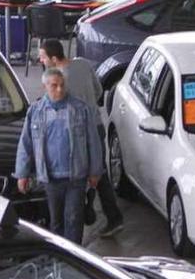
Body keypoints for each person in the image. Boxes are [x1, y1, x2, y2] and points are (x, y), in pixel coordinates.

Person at [38, 40, 124, 238]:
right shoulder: (83, 64)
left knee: (77, 176)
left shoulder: (58, 82)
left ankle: (88, 214)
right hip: (97, 125)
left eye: (42, 56)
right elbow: (99, 91)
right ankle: (113, 217)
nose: (40, 59)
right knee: (99, 173)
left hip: (78, 133)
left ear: (53, 58)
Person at [15, 68, 103, 245]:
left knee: (73, 220)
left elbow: (93, 142)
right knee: (56, 223)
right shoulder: (36, 112)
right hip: (50, 179)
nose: (59, 90)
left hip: (75, 177)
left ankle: (75, 258)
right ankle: (60, 259)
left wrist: (95, 171)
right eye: (54, 86)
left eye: (62, 85)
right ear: (45, 86)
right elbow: (26, 144)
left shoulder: (80, 109)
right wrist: (22, 174)